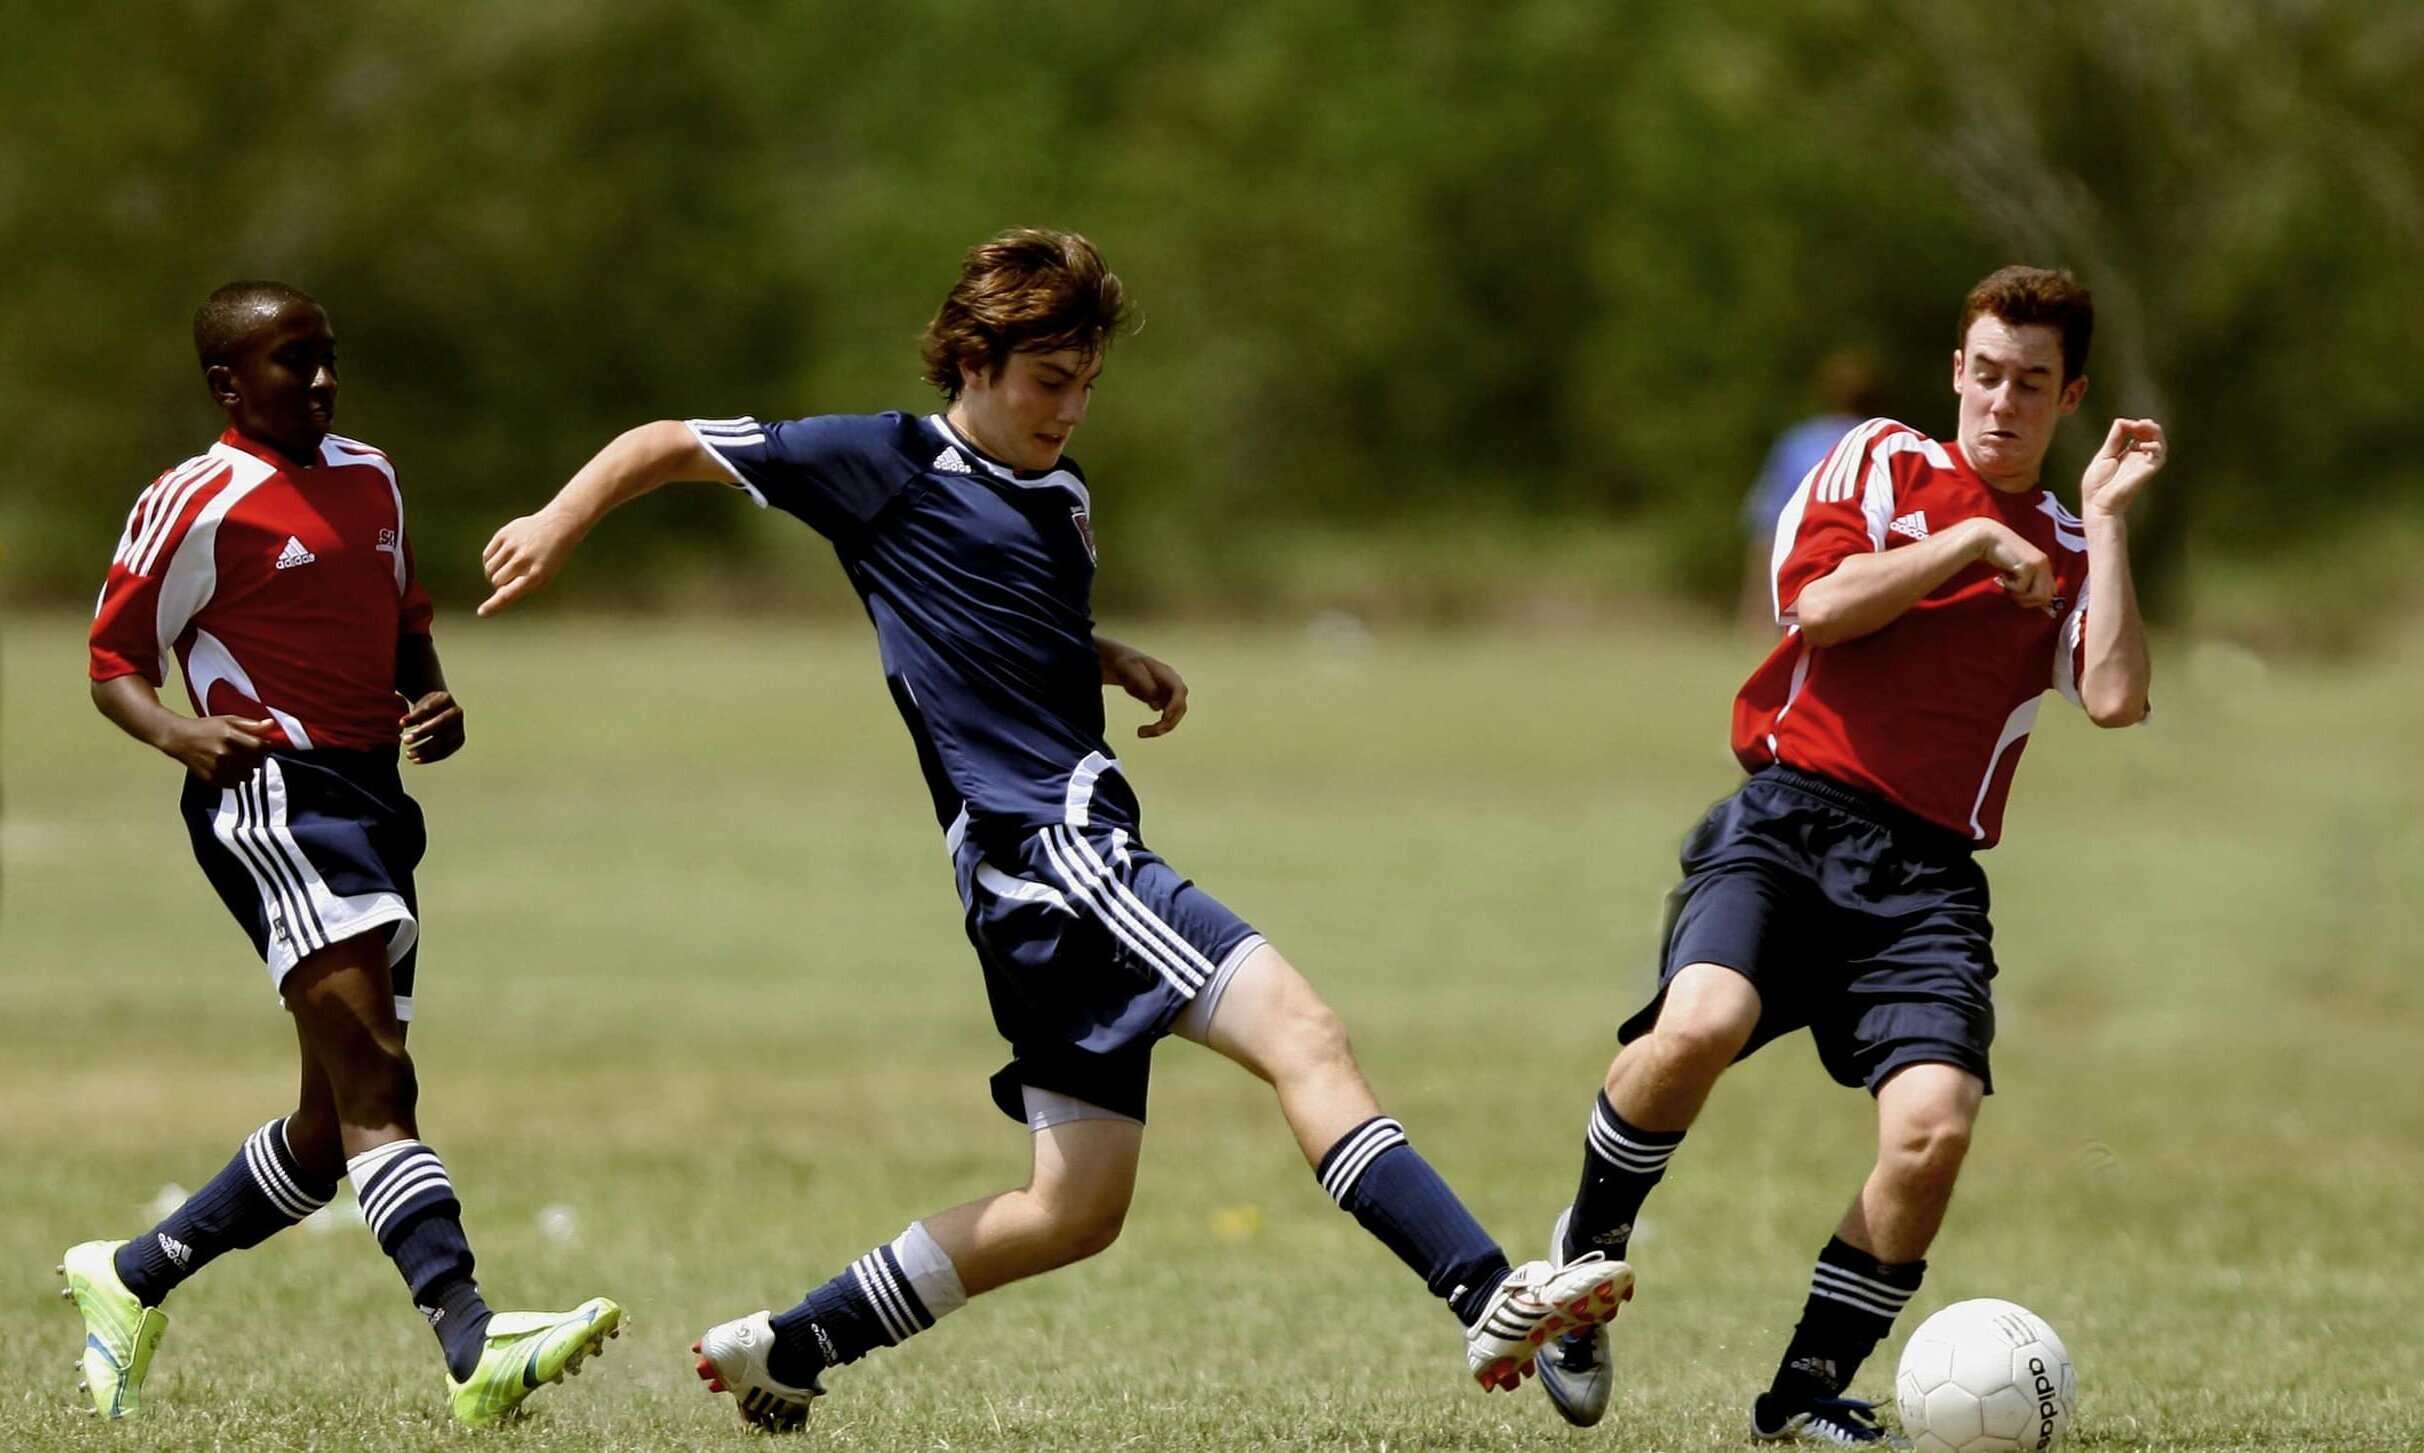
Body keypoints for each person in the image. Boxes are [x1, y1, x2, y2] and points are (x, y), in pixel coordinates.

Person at [477, 229, 1628, 1430]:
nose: (1071, 409)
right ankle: (1486, 1289)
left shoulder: (1064, 498)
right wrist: (560, 520)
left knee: (1074, 1208)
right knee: (1305, 1032)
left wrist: (1104, 655)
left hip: (1027, 880)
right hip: (1055, 852)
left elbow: (998, 623)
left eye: (1086, 385)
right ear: (971, 362)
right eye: (1048, 383)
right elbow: (667, 443)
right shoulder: (881, 463)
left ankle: (796, 1343)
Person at [1536, 267, 2163, 1442]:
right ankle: (1582, 1263)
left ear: (2069, 394)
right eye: (1984, 374)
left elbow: (2119, 696)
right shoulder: (1881, 461)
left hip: (1926, 879)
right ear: (1954, 372)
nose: (2001, 402)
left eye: (2033, 383)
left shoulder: (2074, 549)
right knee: (1699, 1026)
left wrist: (2112, 520)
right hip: (1788, 822)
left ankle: (1807, 1389)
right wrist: (1973, 538)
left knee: (1934, 1127)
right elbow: (1819, 607)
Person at [68, 282, 621, 1424]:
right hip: (270, 797)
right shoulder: (196, 498)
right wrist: (180, 731)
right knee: (382, 1079)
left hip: (370, 796)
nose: (321, 381)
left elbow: (406, 619)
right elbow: (113, 659)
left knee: (329, 1134)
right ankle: (472, 1341)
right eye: (292, 363)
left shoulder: (371, 474)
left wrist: (432, 699)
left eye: (328, 358)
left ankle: (129, 1276)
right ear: (230, 384)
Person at [1738, 350, 1884, 638]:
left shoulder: (1798, 444)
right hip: (1861, 584)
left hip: (1802, 577)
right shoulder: (1885, 445)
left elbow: (1767, 526)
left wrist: (1756, 604)